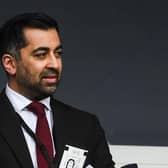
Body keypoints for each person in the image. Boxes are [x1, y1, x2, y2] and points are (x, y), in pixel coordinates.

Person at [0, 12, 115, 168]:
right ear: (10, 64)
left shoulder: (86, 126)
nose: (54, 64)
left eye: (58, 54)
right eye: (41, 55)